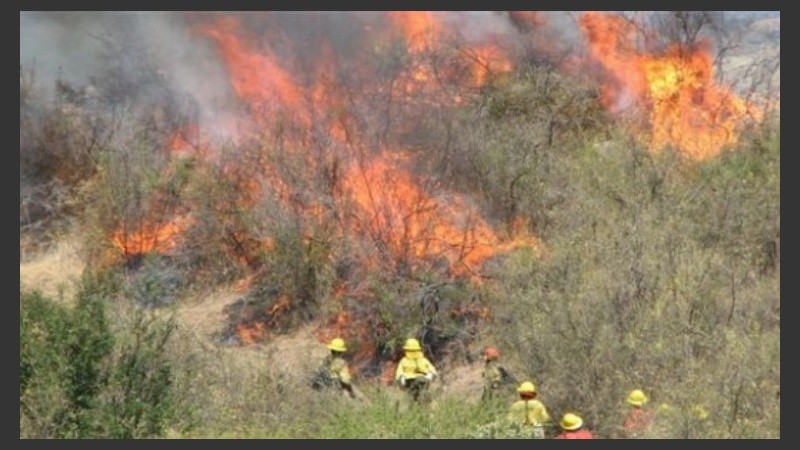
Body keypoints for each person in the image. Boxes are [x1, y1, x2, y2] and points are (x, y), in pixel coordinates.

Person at [394, 338, 438, 402]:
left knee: (417, 397)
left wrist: (430, 376)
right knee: (416, 397)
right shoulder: (422, 360)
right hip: (413, 381)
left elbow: (433, 372)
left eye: (413, 351)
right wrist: (401, 378)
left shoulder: (422, 360)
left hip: (418, 381)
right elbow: (399, 374)